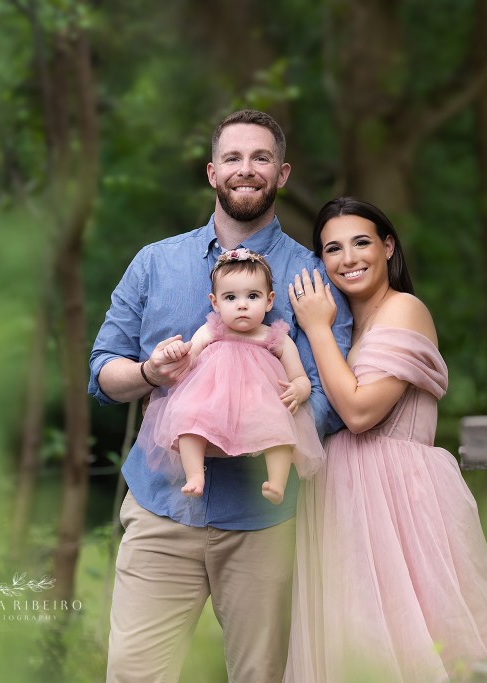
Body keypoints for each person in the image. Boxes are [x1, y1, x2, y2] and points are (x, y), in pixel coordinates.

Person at [88, 110, 352, 683]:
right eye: (233, 158)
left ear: (283, 174)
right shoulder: (155, 263)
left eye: (261, 158)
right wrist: (152, 373)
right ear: (212, 172)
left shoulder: (312, 276)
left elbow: (332, 396)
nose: (246, 169)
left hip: (264, 516)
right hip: (162, 507)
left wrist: (254, 432)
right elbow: (103, 373)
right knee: (134, 675)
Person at [284, 197, 487, 682]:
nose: (348, 258)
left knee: (412, 647)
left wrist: (315, 326)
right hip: (340, 503)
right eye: (332, 249)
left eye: (362, 242)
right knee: (354, 651)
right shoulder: (347, 325)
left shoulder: (404, 310)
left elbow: (359, 410)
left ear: (388, 247)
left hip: (398, 505)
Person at [137, 248, 324, 505]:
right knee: (187, 414)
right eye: (230, 297)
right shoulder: (212, 329)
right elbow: (188, 358)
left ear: (269, 301)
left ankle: (276, 482)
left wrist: (299, 390)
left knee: (279, 427)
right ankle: (194, 475)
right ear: (215, 302)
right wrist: (175, 351)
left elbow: (300, 377)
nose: (242, 304)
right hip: (212, 399)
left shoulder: (275, 336)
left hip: (258, 403)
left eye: (253, 296)